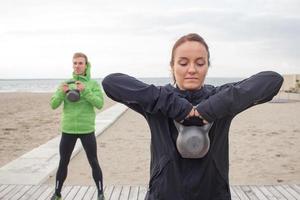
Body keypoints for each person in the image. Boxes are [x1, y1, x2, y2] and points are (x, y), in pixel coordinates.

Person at [101, 33, 283, 200]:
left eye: (200, 63)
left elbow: (272, 80)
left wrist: (210, 109)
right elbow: (111, 83)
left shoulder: (221, 98)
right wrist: (178, 108)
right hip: (164, 194)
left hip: (213, 194)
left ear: (207, 66)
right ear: (172, 65)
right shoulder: (158, 101)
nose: (192, 69)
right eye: (183, 62)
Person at [50, 52, 105, 200]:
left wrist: (84, 90)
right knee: (63, 162)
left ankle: (100, 193)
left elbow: (99, 104)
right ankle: (57, 193)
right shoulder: (65, 83)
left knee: (93, 161)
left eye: (80, 63)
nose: (77, 66)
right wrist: (62, 93)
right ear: (72, 65)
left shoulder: (92, 84)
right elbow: (53, 105)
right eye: (75, 63)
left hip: (87, 129)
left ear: (86, 65)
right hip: (68, 130)